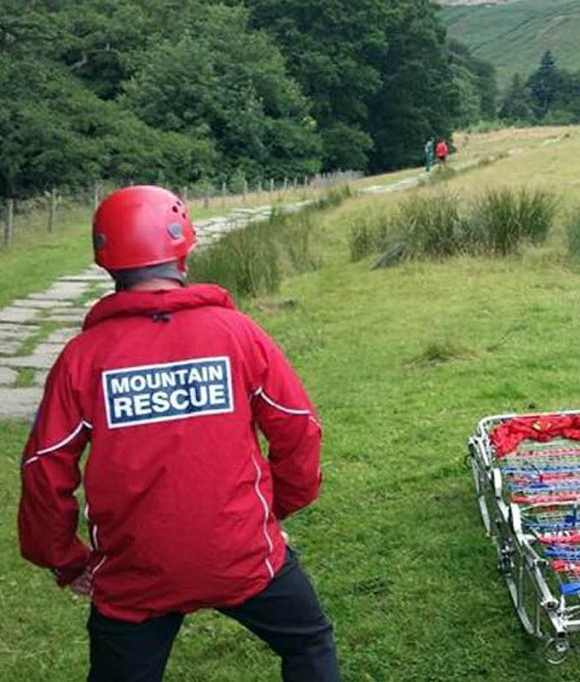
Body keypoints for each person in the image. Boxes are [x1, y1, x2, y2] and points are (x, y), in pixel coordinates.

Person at [17, 185, 340, 682]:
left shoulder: (83, 359)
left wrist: (64, 559)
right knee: (309, 642)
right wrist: (274, 511)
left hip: (133, 575)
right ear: (184, 249)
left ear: (106, 261)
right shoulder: (237, 334)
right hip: (243, 555)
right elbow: (298, 427)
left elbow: (44, 467)